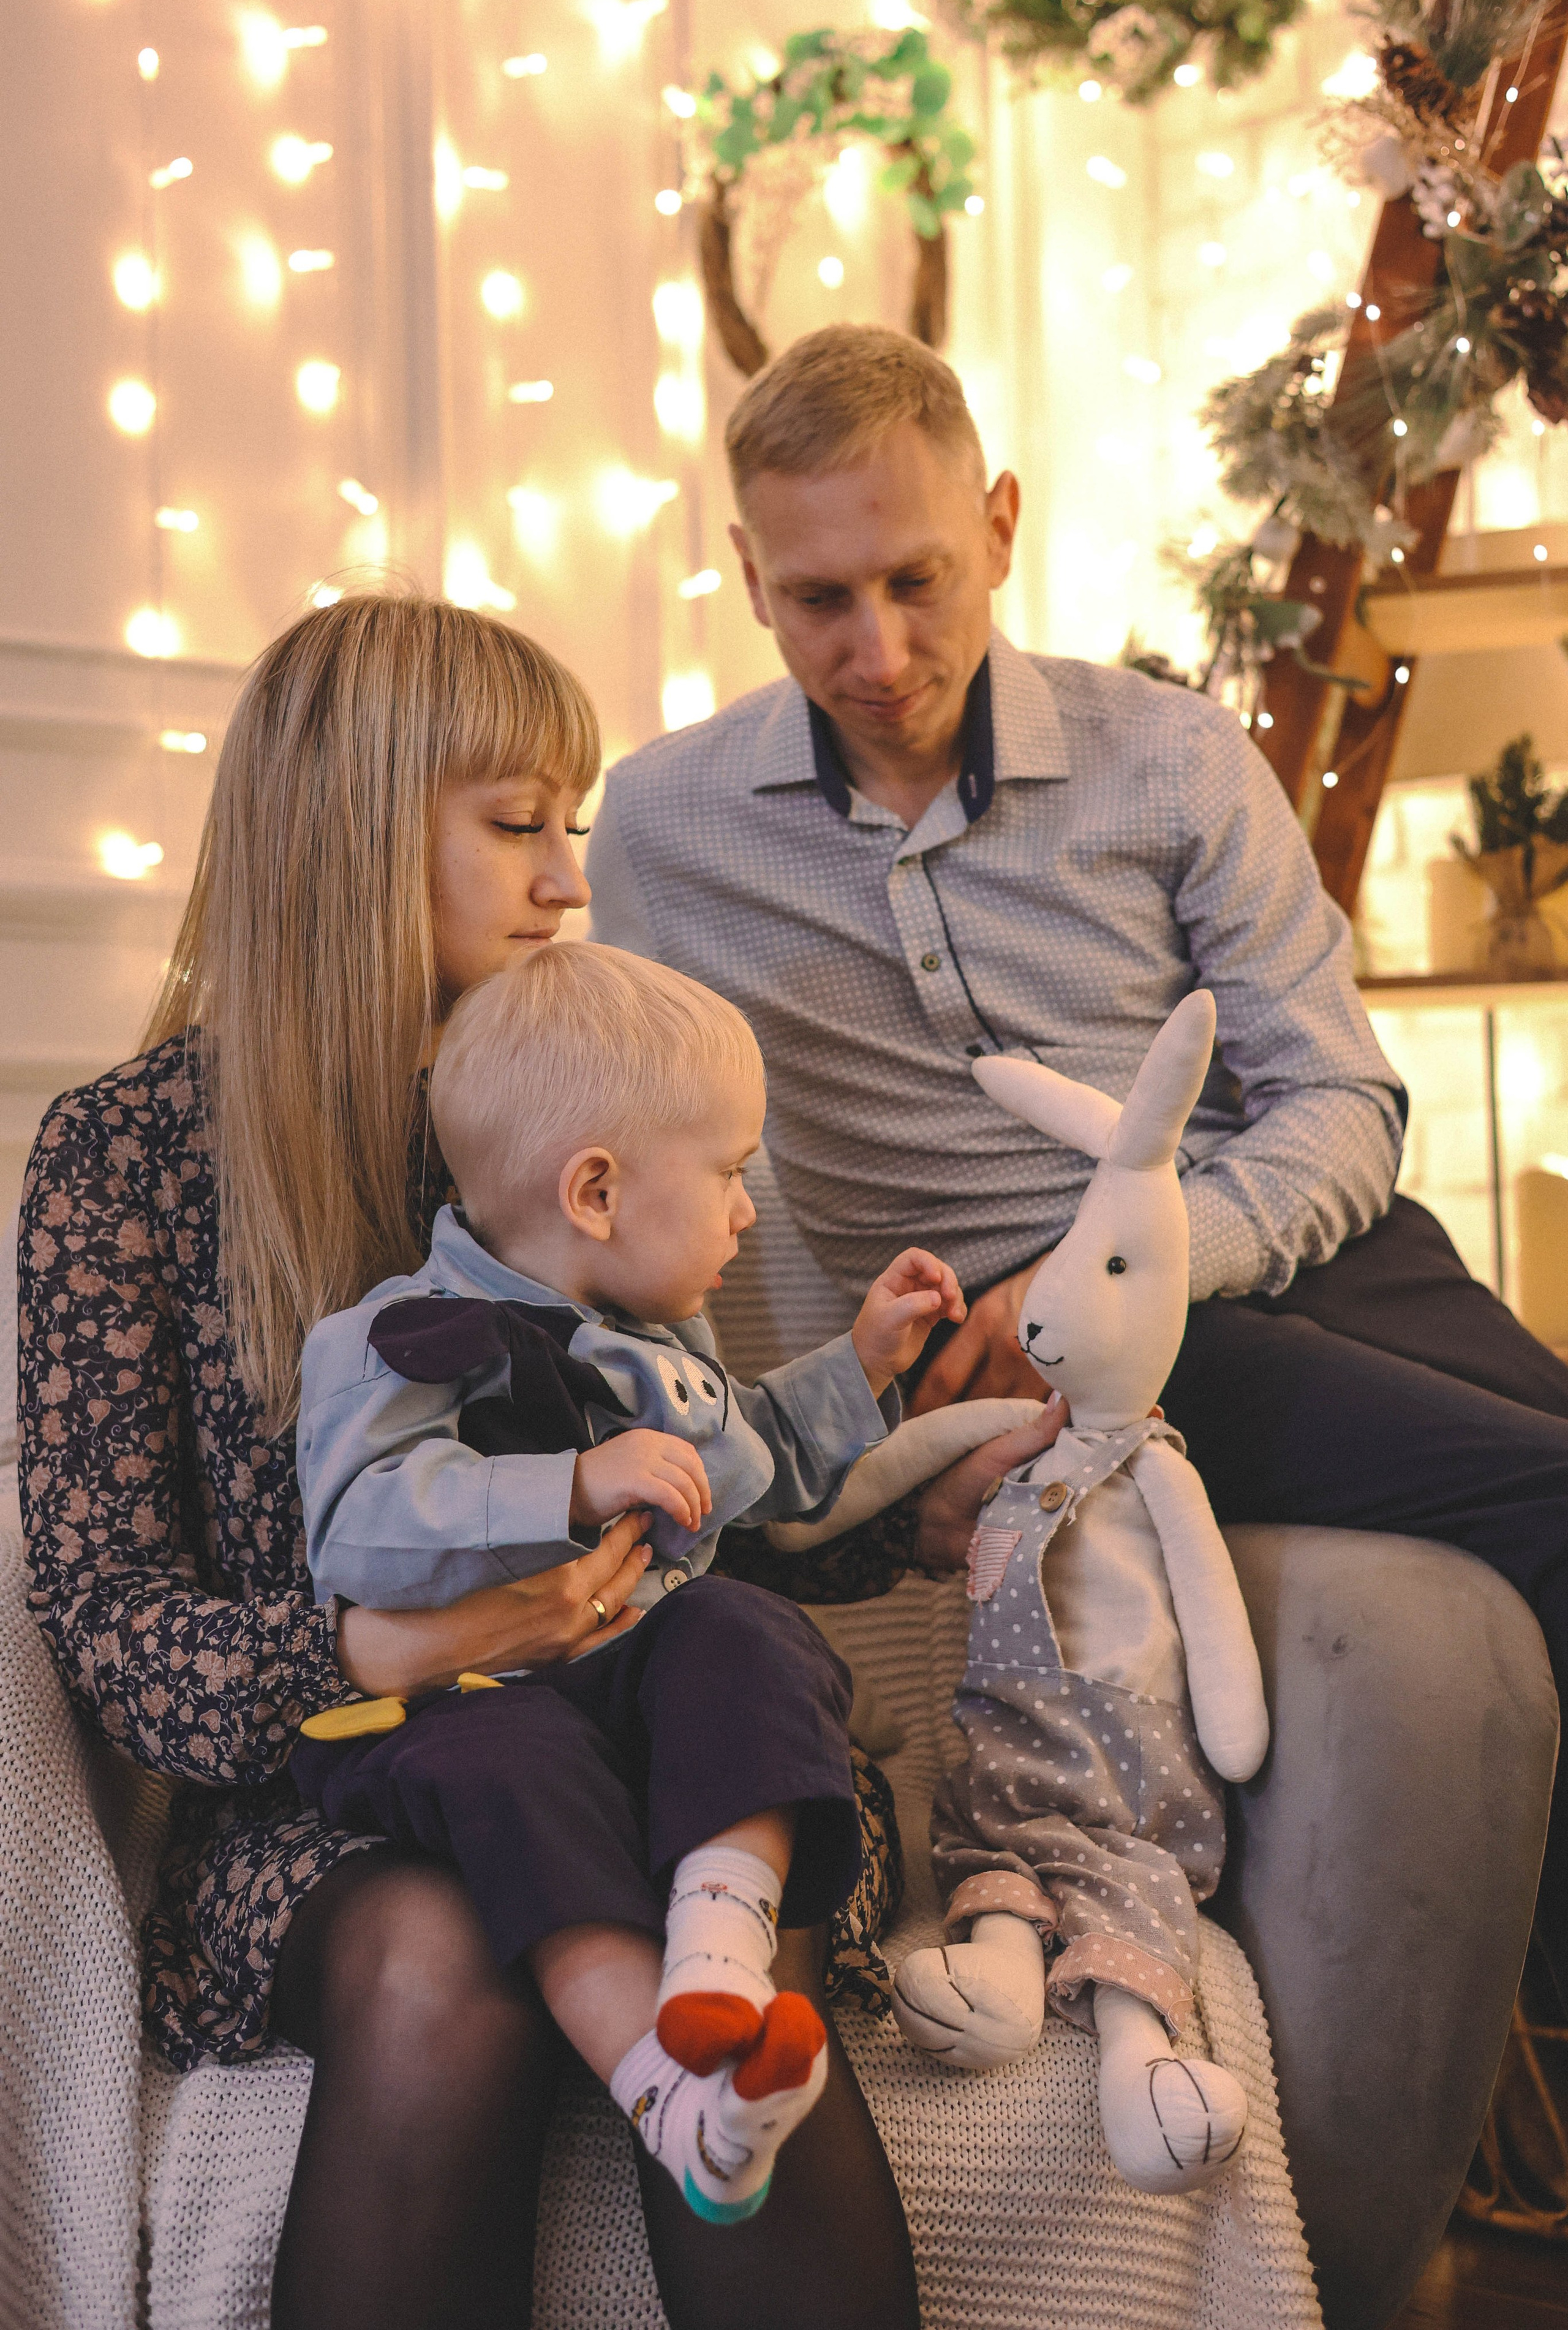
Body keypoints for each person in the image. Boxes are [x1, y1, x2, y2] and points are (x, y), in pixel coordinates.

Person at [17, 593, 1049, 2330]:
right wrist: (400, 1648)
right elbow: (113, 1622)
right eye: (517, 827)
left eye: (568, 825)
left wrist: (895, 1511)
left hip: (660, 1728)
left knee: (734, 1869)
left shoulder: (593, 1106)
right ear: (351, 837)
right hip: (336, 1787)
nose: (571, 876)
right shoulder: (123, 1159)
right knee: (435, 1961)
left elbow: (705, 1492)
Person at [586, 320, 1568, 2005]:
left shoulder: (1171, 758)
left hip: (1301, 1244)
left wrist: (1138, 1250)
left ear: (1002, 527)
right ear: (750, 577)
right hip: (1072, 1369)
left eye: (918, 576)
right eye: (820, 597)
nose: (879, 647)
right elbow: (637, 1173)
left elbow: (1339, 1098)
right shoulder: (662, 827)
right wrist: (825, 1459)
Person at [290, 939, 965, 2223]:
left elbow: (751, 1469)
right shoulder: (394, 1336)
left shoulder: (660, 1346)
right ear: (594, 1190)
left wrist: (864, 1367)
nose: (745, 1210)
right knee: (513, 1779)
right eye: (725, 1174)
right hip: (474, 1703)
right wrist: (574, 1484)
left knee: (740, 1626)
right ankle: (666, 2094)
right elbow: (358, 1531)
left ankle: (717, 1949)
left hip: (637, 1688)